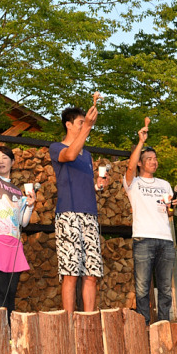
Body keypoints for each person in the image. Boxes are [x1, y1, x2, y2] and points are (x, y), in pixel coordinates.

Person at [0, 110, 35, 322]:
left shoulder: (18, 191)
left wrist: (29, 205)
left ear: (13, 162)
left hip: (14, 244)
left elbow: (23, 222)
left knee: (11, 295)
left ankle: (10, 335)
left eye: (5, 158)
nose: (0, 160)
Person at [50, 104, 108, 313]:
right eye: (80, 122)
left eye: (86, 122)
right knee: (70, 272)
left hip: (90, 215)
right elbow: (70, 155)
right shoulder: (57, 147)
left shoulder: (88, 155)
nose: (85, 125)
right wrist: (88, 128)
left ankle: (89, 320)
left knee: (91, 272)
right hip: (68, 214)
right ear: (68, 124)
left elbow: (86, 182)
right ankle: (69, 323)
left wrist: (98, 185)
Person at [123, 121, 177, 325]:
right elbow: (129, 166)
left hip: (165, 239)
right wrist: (140, 142)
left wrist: (171, 206)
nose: (154, 162)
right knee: (142, 287)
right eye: (149, 159)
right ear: (140, 162)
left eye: (155, 159)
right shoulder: (133, 183)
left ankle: (164, 325)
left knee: (164, 288)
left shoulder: (164, 184)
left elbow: (170, 213)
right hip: (143, 239)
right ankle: (144, 326)